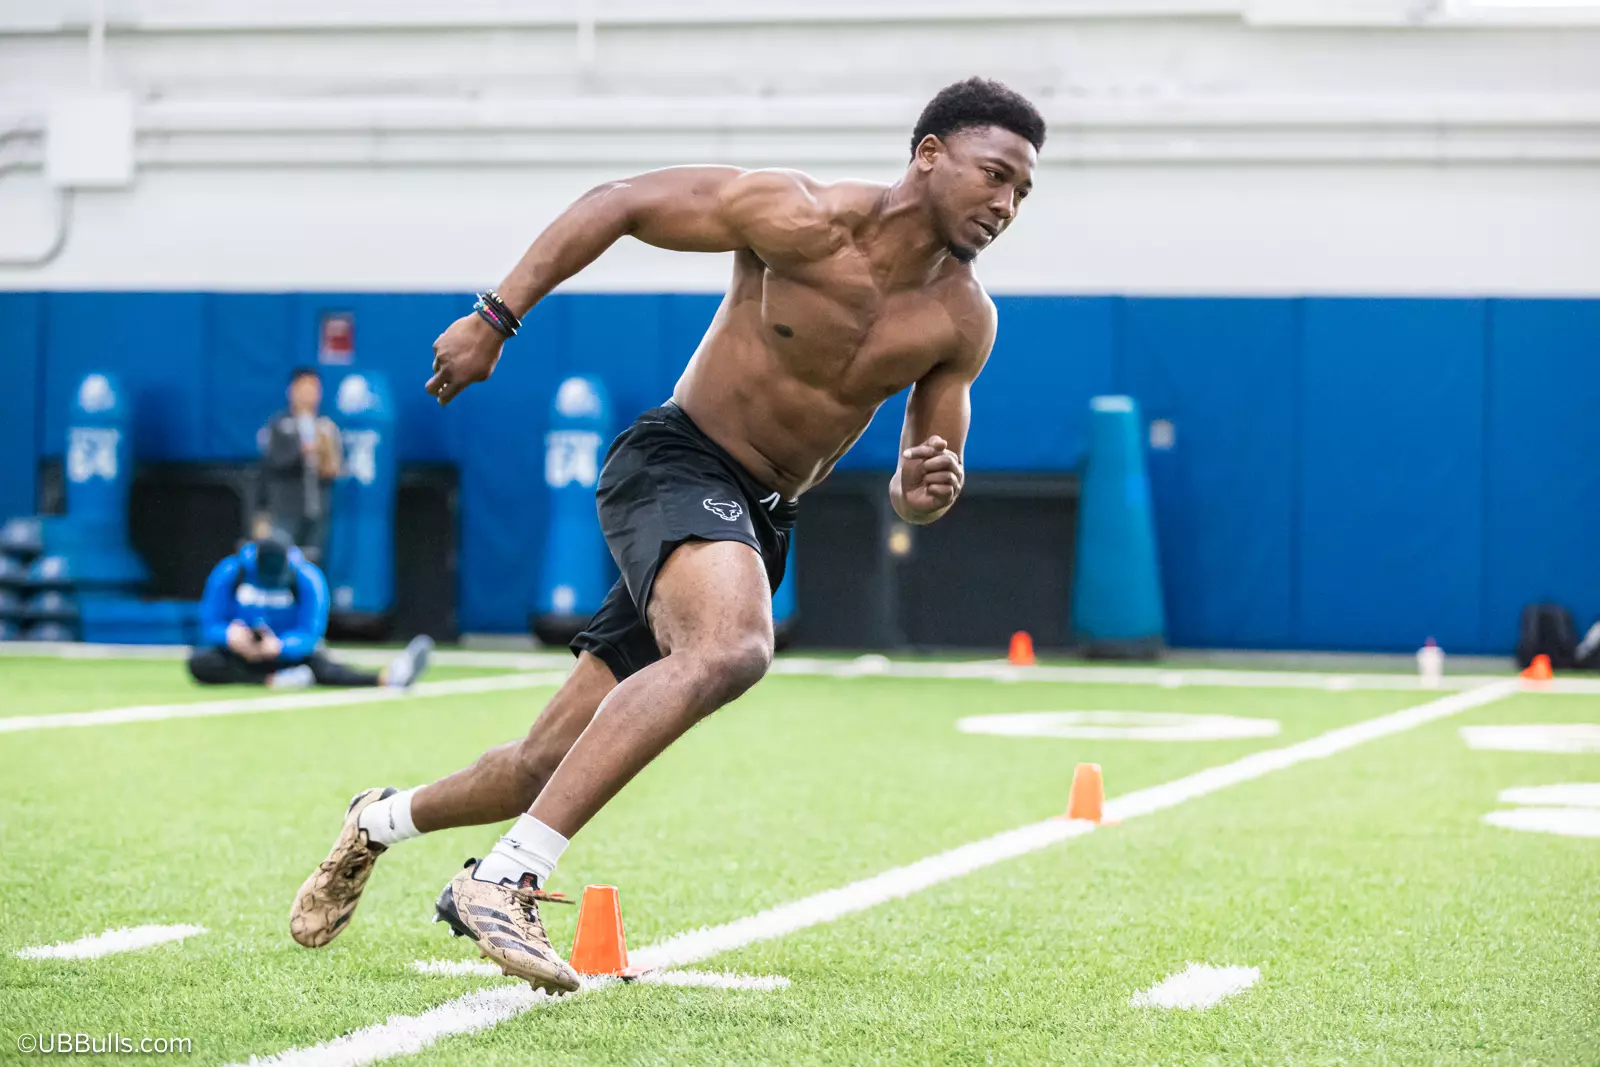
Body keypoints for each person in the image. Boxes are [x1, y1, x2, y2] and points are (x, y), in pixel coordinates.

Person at [289, 77, 1043, 991]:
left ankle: (376, 821)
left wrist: (923, 489)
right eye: (994, 174)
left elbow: (918, 486)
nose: (1005, 204)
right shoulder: (795, 216)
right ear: (930, 155)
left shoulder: (965, 320)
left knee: (536, 764)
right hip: (676, 464)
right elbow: (618, 204)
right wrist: (495, 319)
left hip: (757, 519)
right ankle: (506, 877)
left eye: (1022, 192)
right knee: (734, 646)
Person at [188, 536, 433, 690]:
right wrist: (230, 635)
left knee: (326, 669)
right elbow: (210, 623)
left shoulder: (308, 578)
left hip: (287, 655)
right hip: (240, 654)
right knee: (200, 663)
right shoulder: (231, 572)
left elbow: (311, 634)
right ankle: (274, 681)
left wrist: (280, 646)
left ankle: (389, 678)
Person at [259, 367, 342, 562]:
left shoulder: (326, 426)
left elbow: (332, 468)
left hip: (317, 508)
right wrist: (302, 452)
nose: (309, 394)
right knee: (282, 559)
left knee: (314, 560)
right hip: (286, 509)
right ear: (292, 390)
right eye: (304, 388)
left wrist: (330, 464)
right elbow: (274, 461)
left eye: (314, 389)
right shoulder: (279, 424)